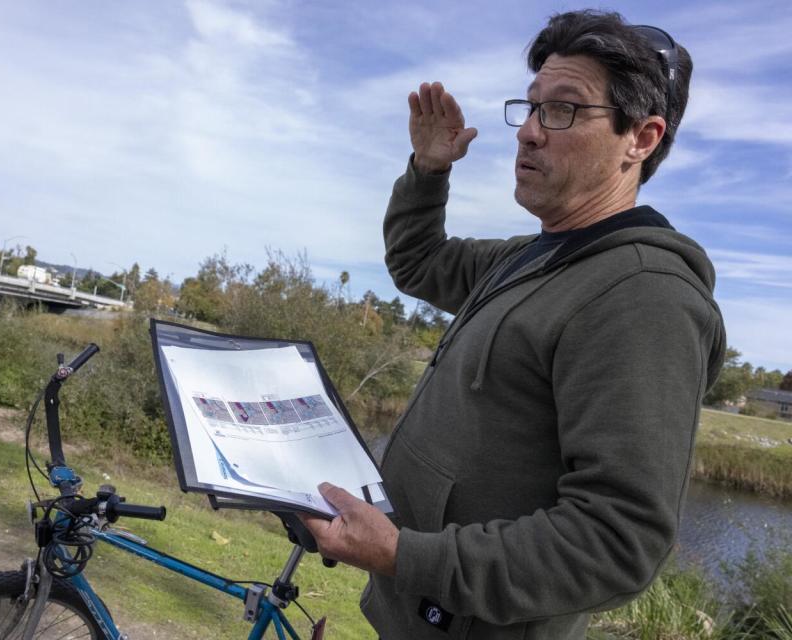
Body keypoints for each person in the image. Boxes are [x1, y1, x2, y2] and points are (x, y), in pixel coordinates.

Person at [301, 10, 726, 639]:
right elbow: (418, 261)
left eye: (563, 110)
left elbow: (616, 541)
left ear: (641, 138)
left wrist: (406, 556)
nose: (528, 132)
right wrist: (428, 169)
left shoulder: (643, 297)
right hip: (413, 615)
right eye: (529, 108)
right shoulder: (532, 256)